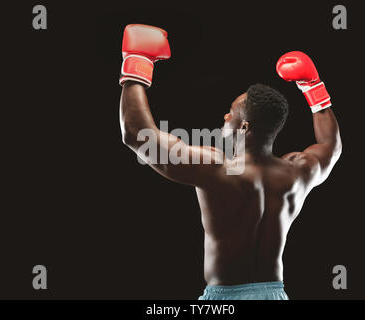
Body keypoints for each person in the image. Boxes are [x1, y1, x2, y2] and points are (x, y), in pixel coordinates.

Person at [118, 24, 342, 300]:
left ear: (244, 127)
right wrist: (313, 87)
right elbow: (331, 147)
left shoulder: (217, 169)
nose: (225, 117)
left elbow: (137, 136)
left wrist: (136, 66)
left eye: (230, 113)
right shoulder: (299, 171)